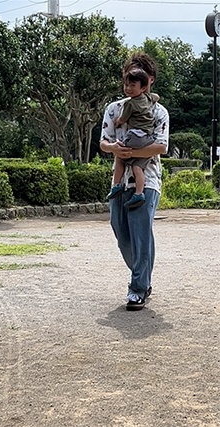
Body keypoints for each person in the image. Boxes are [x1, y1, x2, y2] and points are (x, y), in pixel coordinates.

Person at [100, 52, 169, 311]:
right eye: (127, 77)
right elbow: (104, 142)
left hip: (147, 180)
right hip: (120, 181)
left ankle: (138, 288)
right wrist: (113, 150)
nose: (129, 83)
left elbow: (161, 147)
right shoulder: (114, 108)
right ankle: (144, 275)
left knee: (141, 234)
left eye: (136, 78)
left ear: (148, 81)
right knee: (121, 232)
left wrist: (130, 154)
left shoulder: (159, 111)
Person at [107, 67, 159, 209]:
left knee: (119, 156)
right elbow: (157, 97)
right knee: (137, 167)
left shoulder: (129, 103)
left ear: (143, 87)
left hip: (135, 135)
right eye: (126, 85)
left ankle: (116, 185)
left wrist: (117, 122)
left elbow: (123, 119)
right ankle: (139, 193)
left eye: (132, 86)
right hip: (147, 138)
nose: (128, 89)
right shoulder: (149, 98)